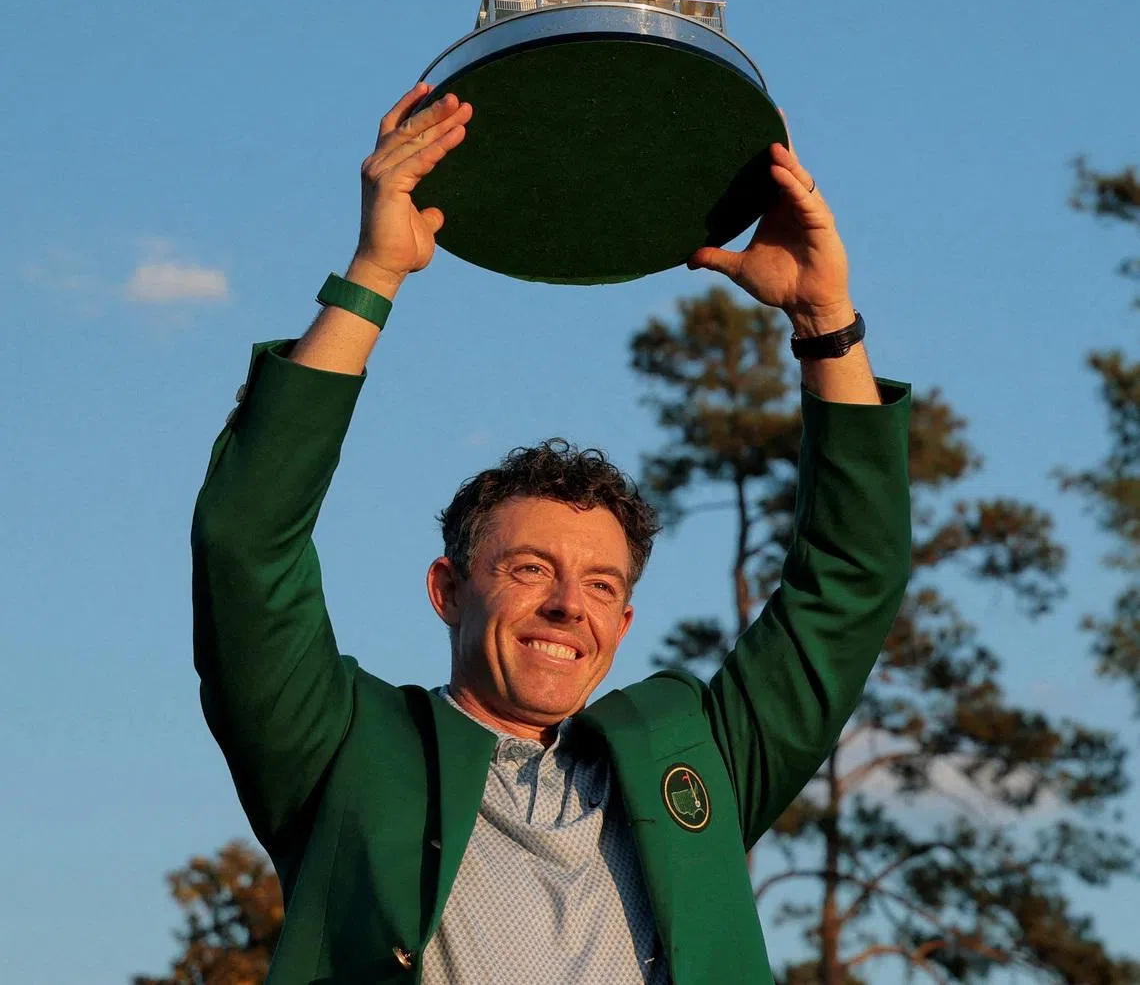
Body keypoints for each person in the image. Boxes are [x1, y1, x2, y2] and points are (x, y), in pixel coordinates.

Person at [191, 82, 911, 985]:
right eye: (531, 568)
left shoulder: (693, 755)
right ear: (448, 589)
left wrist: (823, 323)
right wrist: (373, 275)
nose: (571, 605)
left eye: (603, 586)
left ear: (624, 624)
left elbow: (850, 579)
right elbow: (245, 545)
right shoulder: (342, 747)